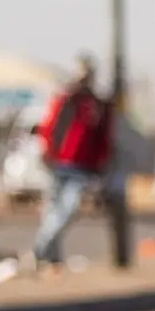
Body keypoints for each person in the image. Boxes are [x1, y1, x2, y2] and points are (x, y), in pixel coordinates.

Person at [21, 54, 114, 271]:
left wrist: (101, 164)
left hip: (81, 168)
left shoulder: (97, 105)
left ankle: (39, 250)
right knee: (53, 211)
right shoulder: (65, 99)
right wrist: (46, 151)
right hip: (58, 163)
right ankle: (51, 258)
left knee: (68, 210)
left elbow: (104, 138)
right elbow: (49, 127)